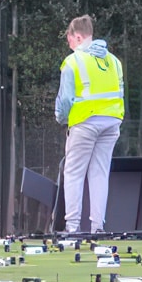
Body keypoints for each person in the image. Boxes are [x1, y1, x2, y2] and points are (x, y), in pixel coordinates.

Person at [55, 15, 125, 237]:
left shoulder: (73, 62)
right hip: (112, 121)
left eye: (69, 40)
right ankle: (97, 227)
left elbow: (65, 100)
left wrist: (61, 118)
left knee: (74, 172)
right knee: (99, 173)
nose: (69, 45)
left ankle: (73, 227)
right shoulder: (113, 61)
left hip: (85, 122)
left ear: (77, 36)